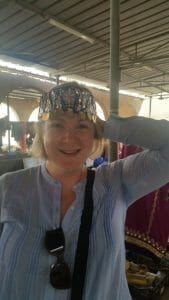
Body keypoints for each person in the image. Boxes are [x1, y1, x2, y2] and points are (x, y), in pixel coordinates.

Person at [0, 81, 169, 300]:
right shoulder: (8, 188)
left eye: (82, 126)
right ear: (41, 132)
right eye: (57, 125)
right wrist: (82, 120)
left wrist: (106, 126)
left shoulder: (116, 182)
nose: (69, 138)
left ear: (95, 133)